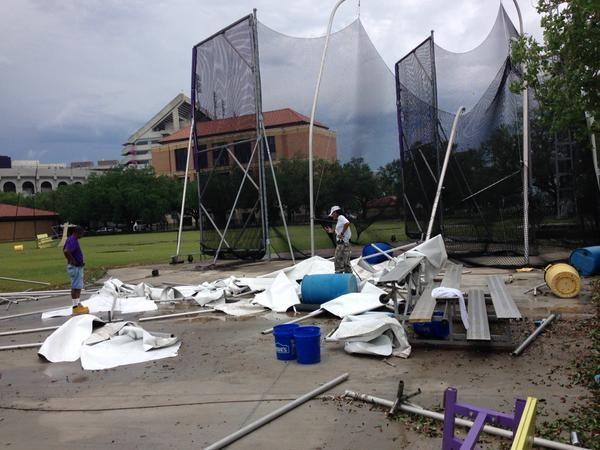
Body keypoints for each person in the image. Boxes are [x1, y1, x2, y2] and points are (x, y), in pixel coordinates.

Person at [63, 226, 89, 315]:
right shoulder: (73, 240)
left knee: (77, 287)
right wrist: (73, 261)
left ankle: (77, 304)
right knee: (76, 287)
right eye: (81, 233)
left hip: (76, 266)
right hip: (75, 267)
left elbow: (64, 249)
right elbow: (66, 251)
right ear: (76, 233)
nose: (82, 235)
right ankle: (75, 307)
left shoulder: (70, 239)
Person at [327, 205, 352, 273]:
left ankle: (339, 275)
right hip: (343, 243)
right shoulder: (339, 220)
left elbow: (347, 223)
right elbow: (339, 231)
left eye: (332, 214)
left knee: (338, 260)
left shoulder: (341, 217)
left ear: (335, 212)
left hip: (343, 243)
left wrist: (342, 234)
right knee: (345, 261)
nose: (332, 216)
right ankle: (348, 276)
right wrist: (332, 231)